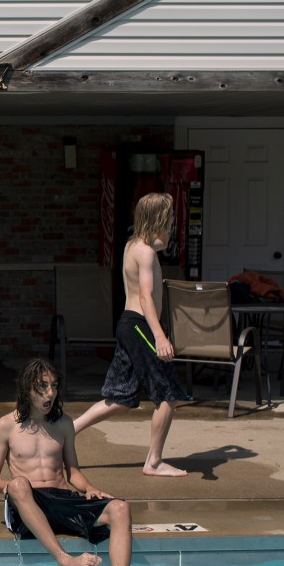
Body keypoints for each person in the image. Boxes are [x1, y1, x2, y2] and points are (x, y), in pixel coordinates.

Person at [0, 359, 151, 566]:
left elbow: (73, 472)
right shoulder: (6, 426)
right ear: (27, 389)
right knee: (19, 484)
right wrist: (10, 486)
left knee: (120, 508)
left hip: (62, 500)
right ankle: (65, 560)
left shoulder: (63, 424)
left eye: (54, 386)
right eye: (42, 386)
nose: (50, 393)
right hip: (29, 502)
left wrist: (90, 488)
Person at [73, 191, 191, 477]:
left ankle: (69, 428)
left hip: (128, 324)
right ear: (160, 219)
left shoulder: (133, 246)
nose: (174, 221)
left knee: (123, 397)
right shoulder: (147, 253)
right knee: (168, 394)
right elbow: (147, 297)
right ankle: (154, 461)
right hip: (141, 325)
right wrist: (160, 336)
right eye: (171, 217)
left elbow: (155, 246)